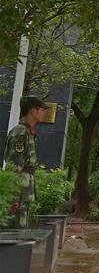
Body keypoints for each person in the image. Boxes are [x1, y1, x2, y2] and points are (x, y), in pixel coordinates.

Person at [4, 97, 48, 228]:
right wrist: (13, 196)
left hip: (25, 187)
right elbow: (15, 165)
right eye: (42, 110)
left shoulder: (28, 132)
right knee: (15, 230)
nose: (44, 113)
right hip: (19, 189)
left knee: (21, 227)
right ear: (33, 111)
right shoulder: (21, 132)